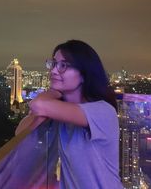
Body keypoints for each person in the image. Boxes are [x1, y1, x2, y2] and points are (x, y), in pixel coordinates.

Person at [24, 39, 123, 188]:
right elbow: (21, 132)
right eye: (53, 64)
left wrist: (52, 92)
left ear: (84, 74)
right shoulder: (61, 116)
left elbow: (38, 105)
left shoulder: (102, 111)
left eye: (63, 65)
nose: (54, 70)